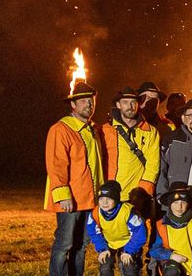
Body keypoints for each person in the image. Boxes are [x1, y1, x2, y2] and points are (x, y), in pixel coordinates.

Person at [46, 81, 104, 276]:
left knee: (81, 245)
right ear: (73, 105)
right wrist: (63, 195)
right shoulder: (61, 129)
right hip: (71, 200)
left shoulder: (92, 130)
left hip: (89, 199)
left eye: (91, 100)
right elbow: (56, 164)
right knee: (64, 244)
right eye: (84, 101)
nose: (89, 104)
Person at [100, 87, 160, 210]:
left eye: (133, 102)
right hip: (110, 195)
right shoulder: (105, 130)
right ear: (118, 105)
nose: (130, 106)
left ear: (138, 104)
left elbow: (153, 165)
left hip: (136, 197)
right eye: (125, 102)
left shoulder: (150, 131)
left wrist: (143, 192)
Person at [86, 181, 147, 276]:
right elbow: (94, 233)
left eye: (109, 199)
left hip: (128, 242)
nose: (104, 202)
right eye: (101, 199)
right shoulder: (95, 214)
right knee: (105, 266)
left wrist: (129, 251)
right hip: (108, 242)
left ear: (116, 199)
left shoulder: (128, 212)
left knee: (129, 267)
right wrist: (102, 248)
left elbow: (140, 233)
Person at [151, 182, 192, 276]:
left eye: (183, 202)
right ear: (170, 204)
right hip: (171, 263)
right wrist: (171, 255)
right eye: (175, 202)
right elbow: (154, 250)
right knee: (172, 271)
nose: (179, 207)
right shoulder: (161, 224)